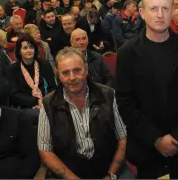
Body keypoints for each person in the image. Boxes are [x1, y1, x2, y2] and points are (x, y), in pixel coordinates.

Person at [115, 0, 178, 179]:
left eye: (165, 8)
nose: (160, 14)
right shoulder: (127, 54)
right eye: (153, 8)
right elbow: (125, 102)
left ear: (172, 11)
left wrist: (177, 136)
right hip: (145, 144)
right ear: (142, 12)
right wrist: (155, 139)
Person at [38, 47, 130, 179]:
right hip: (67, 173)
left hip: (107, 168)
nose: (72, 78)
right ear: (58, 75)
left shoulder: (109, 95)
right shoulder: (48, 104)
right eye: (65, 73)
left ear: (86, 70)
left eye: (77, 70)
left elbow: (123, 138)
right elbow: (45, 151)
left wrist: (110, 175)